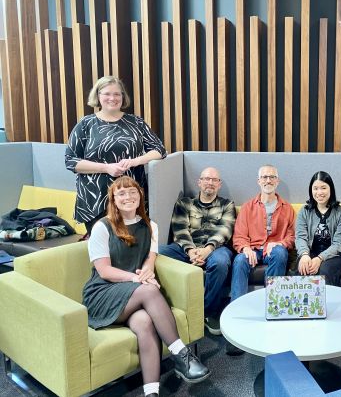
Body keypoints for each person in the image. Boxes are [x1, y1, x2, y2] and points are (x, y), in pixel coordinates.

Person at [82, 177, 210, 397]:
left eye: (132, 192)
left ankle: (151, 392)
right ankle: (182, 355)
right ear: (113, 199)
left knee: (144, 322)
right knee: (150, 290)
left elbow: (149, 259)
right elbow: (104, 271)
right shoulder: (102, 227)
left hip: (133, 294)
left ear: (140, 195)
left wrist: (147, 272)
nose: (127, 197)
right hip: (103, 293)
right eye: (121, 193)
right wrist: (138, 279)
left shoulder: (150, 226)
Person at [65, 76, 166, 236]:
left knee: (132, 244)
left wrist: (135, 161)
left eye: (117, 94)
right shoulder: (85, 125)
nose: (112, 98)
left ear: (123, 97)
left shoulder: (136, 123)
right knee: (103, 247)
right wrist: (106, 168)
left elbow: (159, 150)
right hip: (96, 199)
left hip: (131, 198)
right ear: (98, 96)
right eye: (107, 94)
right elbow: (71, 161)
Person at [158, 167, 235, 336]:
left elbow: (225, 230)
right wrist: (192, 251)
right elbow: (180, 229)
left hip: (216, 249)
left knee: (221, 263)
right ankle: (165, 307)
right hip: (186, 248)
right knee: (157, 253)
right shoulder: (184, 203)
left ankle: (207, 312)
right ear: (199, 182)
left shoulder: (227, 205)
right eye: (206, 179)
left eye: (214, 180)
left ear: (219, 184)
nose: (210, 183)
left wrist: (207, 250)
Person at [228, 165, 295, 354]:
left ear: (277, 181)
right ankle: (236, 321)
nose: (268, 181)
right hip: (253, 248)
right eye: (264, 177)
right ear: (258, 181)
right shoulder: (248, 207)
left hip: (273, 250)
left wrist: (279, 243)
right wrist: (246, 248)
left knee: (281, 253)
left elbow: (291, 237)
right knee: (240, 260)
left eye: (272, 177)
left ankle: (272, 309)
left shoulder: (287, 208)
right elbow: (239, 236)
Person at [294, 171, 341, 286]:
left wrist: (320, 258)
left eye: (323, 188)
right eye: (315, 188)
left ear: (331, 189)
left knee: (324, 271)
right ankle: (303, 303)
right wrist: (304, 254)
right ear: (311, 190)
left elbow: (339, 244)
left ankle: (326, 303)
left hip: (334, 255)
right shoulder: (304, 212)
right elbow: (300, 237)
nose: (319, 192)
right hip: (310, 251)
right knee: (303, 268)